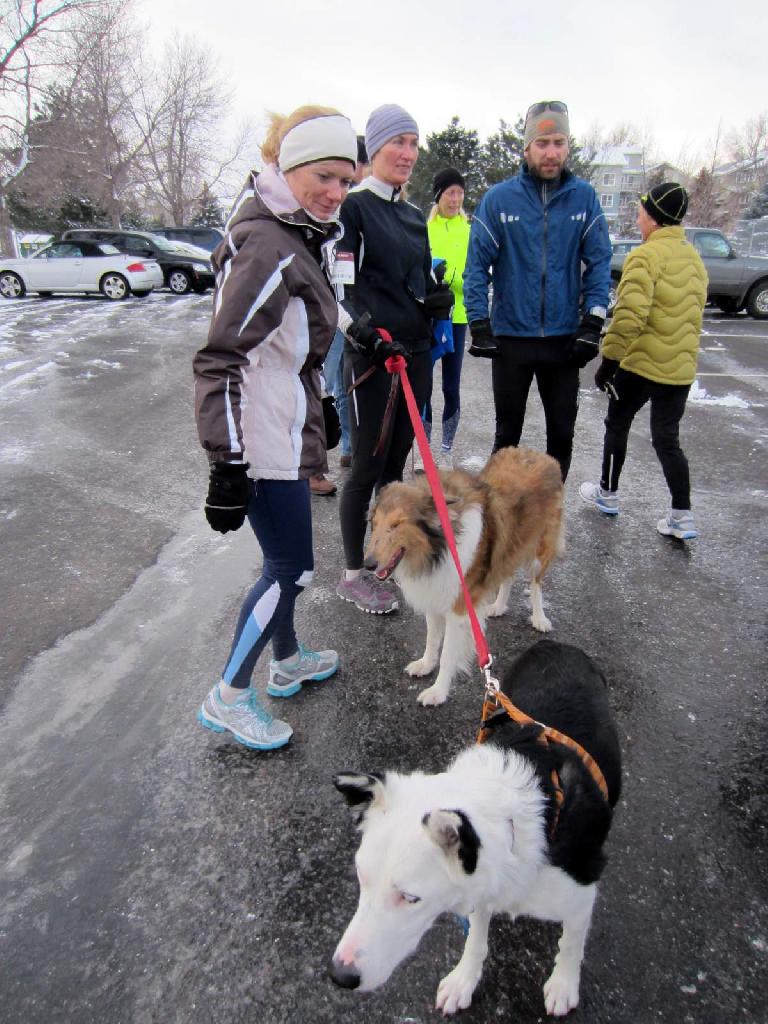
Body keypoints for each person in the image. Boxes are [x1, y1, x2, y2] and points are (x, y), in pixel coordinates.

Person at [193, 106, 359, 750]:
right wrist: (227, 463)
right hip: (258, 439)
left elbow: (297, 336)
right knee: (289, 568)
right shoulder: (267, 241)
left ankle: (286, 661)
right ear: (288, 167)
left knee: (285, 562)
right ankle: (228, 696)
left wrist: (325, 397)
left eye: (346, 179)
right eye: (324, 175)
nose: (336, 192)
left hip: (286, 424)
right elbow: (222, 358)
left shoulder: (297, 232)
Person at [333, 103, 454, 614]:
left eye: (413, 143)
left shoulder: (411, 215)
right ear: (376, 148)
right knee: (365, 466)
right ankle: (352, 572)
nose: (407, 154)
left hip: (416, 356)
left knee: (397, 468)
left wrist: (435, 299)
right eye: (397, 143)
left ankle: (385, 553)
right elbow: (340, 287)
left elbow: (419, 283)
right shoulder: (354, 208)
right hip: (373, 361)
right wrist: (364, 333)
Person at [463, 100, 612, 481]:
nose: (551, 152)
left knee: (561, 434)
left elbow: (599, 262)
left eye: (559, 142)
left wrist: (593, 322)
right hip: (511, 338)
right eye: (542, 143)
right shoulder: (499, 199)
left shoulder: (584, 198)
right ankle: (494, 523)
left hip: (563, 340)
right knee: (506, 436)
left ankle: (549, 518)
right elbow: (476, 266)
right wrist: (479, 323)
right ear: (526, 148)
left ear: (568, 146)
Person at [579, 183, 707, 540]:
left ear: (654, 217)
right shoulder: (695, 259)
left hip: (641, 366)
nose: (637, 218)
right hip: (679, 369)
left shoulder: (645, 257)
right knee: (668, 439)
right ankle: (682, 516)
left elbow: (630, 315)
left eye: (640, 212)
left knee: (617, 423)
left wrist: (609, 362)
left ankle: (608, 493)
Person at [321, 136, 371, 478]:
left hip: (351, 311)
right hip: (332, 309)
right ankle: (326, 456)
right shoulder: (341, 208)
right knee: (328, 383)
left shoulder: (364, 208)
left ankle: (351, 447)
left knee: (343, 385)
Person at [425, 167, 472, 466]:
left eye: (460, 193)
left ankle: (445, 450)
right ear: (438, 196)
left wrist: (449, 274)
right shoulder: (424, 228)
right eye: (449, 193)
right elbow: (420, 268)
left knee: (451, 385)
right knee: (424, 384)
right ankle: (423, 449)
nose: (455, 199)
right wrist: (435, 271)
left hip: (458, 316)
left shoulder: (470, 231)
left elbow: (475, 277)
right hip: (430, 314)